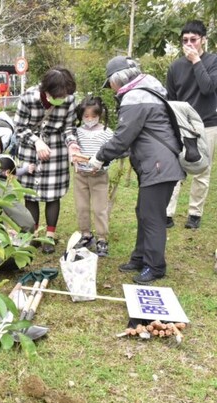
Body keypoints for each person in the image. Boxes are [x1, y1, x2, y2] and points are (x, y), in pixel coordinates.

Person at [89, 56, 185, 285]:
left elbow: (123, 138)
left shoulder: (135, 97)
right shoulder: (146, 91)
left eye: (109, 83)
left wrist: (98, 157)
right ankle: (140, 257)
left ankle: (155, 266)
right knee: (144, 211)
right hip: (156, 165)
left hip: (159, 166)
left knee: (152, 217)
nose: (110, 88)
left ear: (117, 79)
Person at [14, 66, 78, 254]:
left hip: (55, 150)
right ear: (46, 90)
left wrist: (72, 144)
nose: (61, 99)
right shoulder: (28, 98)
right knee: (30, 195)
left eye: (64, 96)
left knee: (53, 194)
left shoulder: (69, 100)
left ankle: (49, 236)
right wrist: (36, 141)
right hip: (30, 149)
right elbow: (19, 127)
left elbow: (69, 128)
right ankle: (34, 235)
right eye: (58, 95)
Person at [165, 20, 217, 229]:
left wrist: (196, 61)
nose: (189, 44)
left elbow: (207, 88)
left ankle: (194, 214)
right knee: (176, 167)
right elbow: (170, 98)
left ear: (203, 40)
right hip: (182, 125)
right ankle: (167, 212)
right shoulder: (175, 67)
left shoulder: (213, 61)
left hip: (208, 124)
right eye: (185, 40)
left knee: (202, 170)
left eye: (193, 40)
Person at [71, 96, 114, 257]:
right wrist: (74, 160)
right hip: (81, 175)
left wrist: (103, 164)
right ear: (81, 116)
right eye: (86, 116)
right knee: (82, 207)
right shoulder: (78, 132)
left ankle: (102, 238)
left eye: (93, 116)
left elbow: (111, 154)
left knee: (99, 208)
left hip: (99, 176)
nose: (89, 120)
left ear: (100, 115)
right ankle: (86, 235)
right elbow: (73, 150)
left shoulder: (106, 132)